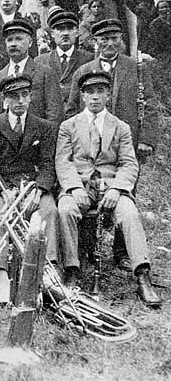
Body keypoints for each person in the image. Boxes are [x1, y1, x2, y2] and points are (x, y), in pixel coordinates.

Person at [56, 71, 161, 307]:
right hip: (80, 186)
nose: (95, 97)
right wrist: (74, 187)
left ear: (107, 95)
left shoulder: (121, 127)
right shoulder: (68, 126)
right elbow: (63, 162)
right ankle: (72, 270)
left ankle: (142, 275)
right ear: (82, 96)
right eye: (90, 92)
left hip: (111, 186)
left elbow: (128, 163)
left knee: (130, 213)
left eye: (100, 91)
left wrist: (117, 189)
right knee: (65, 210)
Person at [0, 74, 60, 304]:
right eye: (14, 96)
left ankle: (48, 275)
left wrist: (40, 190)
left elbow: (47, 164)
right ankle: (3, 279)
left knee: (49, 212)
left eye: (25, 95)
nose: (20, 101)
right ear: (5, 99)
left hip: (32, 186)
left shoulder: (44, 127)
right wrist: (4, 190)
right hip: (4, 186)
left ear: (31, 97)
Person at [67, 19, 159, 154]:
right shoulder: (83, 71)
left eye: (114, 38)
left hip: (129, 143)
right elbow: (72, 110)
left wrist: (146, 140)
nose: (110, 44)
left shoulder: (137, 68)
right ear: (95, 41)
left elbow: (150, 104)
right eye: (104, 39)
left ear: (121, 39)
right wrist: (77, 140)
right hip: (92, 144)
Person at [0, 18, 64, 128]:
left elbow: (55, 114)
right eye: (9, 40)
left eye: (18, 39)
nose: (13, 44)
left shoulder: (45, 73)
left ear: (30, 42)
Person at [35, 9, 94, 105]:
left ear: (77, 32)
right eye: (60, 29)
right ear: (52, 33)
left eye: (70, 29)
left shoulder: (88, 59)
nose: (65, 33)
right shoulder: (41, 61)